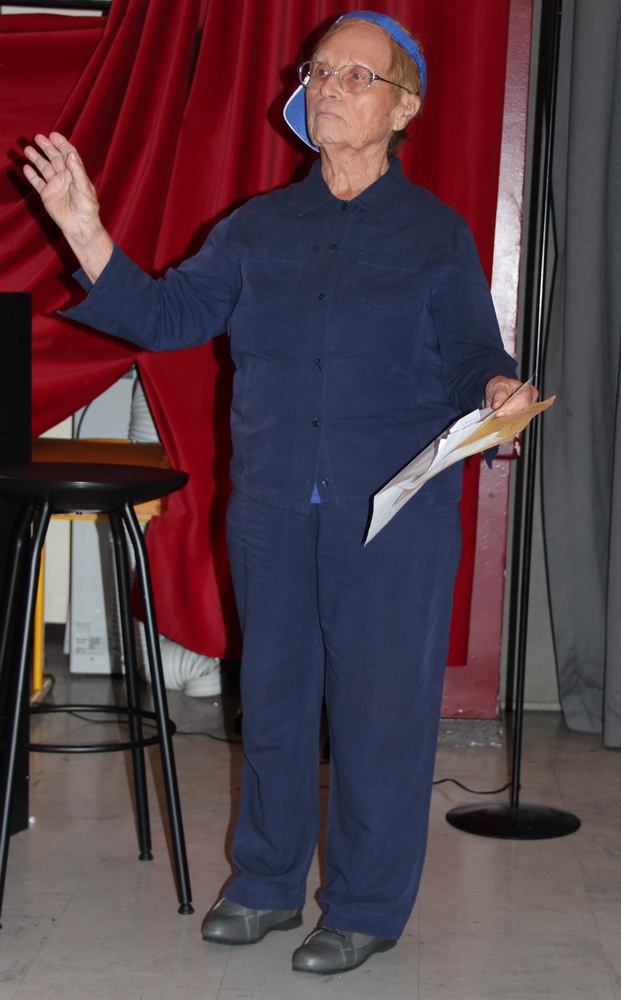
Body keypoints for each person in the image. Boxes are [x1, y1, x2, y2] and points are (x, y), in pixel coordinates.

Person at [23, 10, 537, 976]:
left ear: (403, 108)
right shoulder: (256, 228)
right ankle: (263, 882)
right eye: (318, 71)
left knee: (379, 717)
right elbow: (167, 315)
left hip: (393, 518)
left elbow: (472, 353)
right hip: (269, 510)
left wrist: (498, 387)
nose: (328, 87)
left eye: (355, 75)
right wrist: (85, 231)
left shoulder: (435, 235)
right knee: (273, 702)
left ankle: (366, 906)